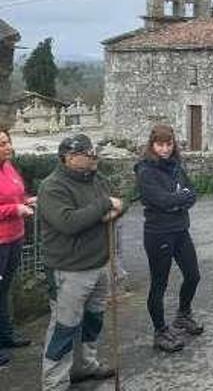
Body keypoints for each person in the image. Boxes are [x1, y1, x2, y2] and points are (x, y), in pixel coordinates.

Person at [38, 134, 124, 390]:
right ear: (69, 158)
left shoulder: (96, 179)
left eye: (93, 152)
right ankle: (54, 383)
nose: (94, 157)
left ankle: (86, 365)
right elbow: (69, 222)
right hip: (69, 270)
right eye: (88, 154)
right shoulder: (52, 187)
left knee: (93, 319)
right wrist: (105, 206)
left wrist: (116, 207)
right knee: (64, 326)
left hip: (99, 264)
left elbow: (120, 202)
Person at [135, 124, 202, 353]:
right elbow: (160, 201)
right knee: (159, 284)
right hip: (158, 233)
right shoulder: (145, 171)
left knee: (193, 275)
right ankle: (160, 331)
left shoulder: (176, 166)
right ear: (152, 145)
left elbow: (192, 194)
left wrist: (177, 200)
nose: (165, 149)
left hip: (180, 229)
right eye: (160, 144)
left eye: (169, 144)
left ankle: (183, 315)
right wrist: (178, 199)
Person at [0, 128, 33, 367]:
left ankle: (6, 335)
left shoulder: (9, 168)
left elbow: (13, 196)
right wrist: (15, 210)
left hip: (14, 238)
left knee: (4, 290)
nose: (8, 147)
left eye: (7, 142)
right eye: (2, 144)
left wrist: (26, 201)